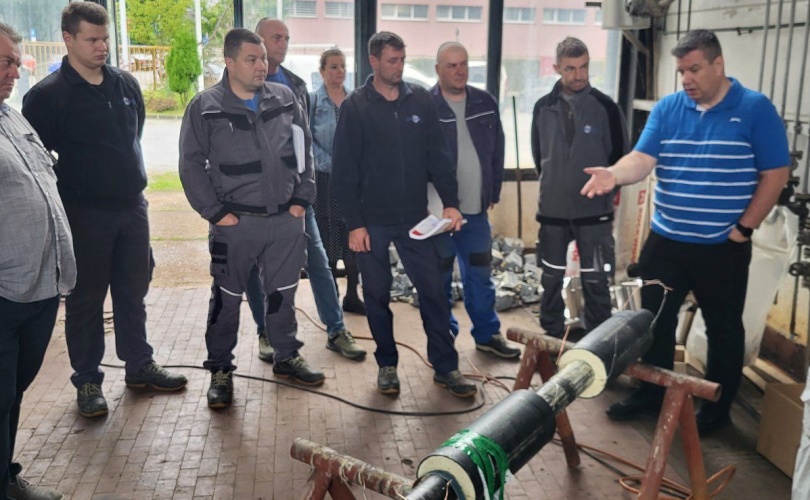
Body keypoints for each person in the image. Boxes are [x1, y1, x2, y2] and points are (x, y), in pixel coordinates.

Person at [581, 29, 790, 434]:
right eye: (681, 71)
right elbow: (642, 158)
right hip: (667, 241)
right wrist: (614, 174)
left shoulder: (754, 109)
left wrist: (743, 229)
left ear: (718, 64)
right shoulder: (669, 108)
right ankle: (651, 393)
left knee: (723, 328)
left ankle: (716, 410)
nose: (687, 79)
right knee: (653, 320)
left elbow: (775, 175)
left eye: (694, 69)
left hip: (723, 246)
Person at [22, 2, 187, 419]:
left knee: (134, 291)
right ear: (68, 39)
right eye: (92, 39)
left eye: (105, 39)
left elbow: (134, 134)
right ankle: (88, 380)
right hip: (83, 215)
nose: (102, 47)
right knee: (86, 299)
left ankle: (139, 365)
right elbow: (36, 162)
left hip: (132, 209)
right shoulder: (46, 96)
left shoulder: (125, 84)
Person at [179, 28, 324, 409]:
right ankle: (221, 370)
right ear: (229, 62)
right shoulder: (205, 107)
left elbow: (305, 150)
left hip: (285, 221)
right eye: (252, 59)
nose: (262, 65)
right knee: (227, 300)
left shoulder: (285, 98)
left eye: (263, 58)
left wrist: (301, 200)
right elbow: (191, 165)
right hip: (236, 226)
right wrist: (216, 213)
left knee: (283, 294)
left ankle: (286, 355)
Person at [332, 31, 477, 398]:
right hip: (373, 221)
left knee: (434, 292)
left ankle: (446, 366)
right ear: (374, 62)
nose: (399, 67)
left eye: (402, 59)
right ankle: (387, 365)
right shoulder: (355, 107)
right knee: (377, 296)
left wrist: (451, 202)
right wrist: (355, 225)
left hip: (416, 218)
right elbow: (344, 172)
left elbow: (438, 157)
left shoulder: (420, 101)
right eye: (392, 61)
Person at [248, 18, 366, 363]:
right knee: (257, 268)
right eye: (276, 37)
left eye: (286, 38)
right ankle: (265, 331)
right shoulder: (239, 84)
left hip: (297, 197)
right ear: (258, 41)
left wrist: (305, 190)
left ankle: (336, 329)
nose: (283, 43)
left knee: (319, 262)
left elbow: (304, 142)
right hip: (253, 200)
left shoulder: (296, 86)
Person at [0, 22, 71, 500]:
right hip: (5, 293)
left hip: (40, 287)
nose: (15, 71)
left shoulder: (12, 117)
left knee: (12, 393)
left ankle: (5, 478)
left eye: (15, 61)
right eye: (6, 62)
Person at [530, 37, 629, 340]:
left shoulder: (606, 107)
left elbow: (620, 160)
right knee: (550, 278)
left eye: (584, 67)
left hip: (594, 213)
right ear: (557, 68)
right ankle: (551, 338)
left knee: (597, 280)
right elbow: (539, 157)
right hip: (553, 212)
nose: (579, 75)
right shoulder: (542, 108)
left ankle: (597, 341)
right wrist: (555, 183)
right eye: (571, 69)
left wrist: (606, 193)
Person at [429, 42, 520, 359]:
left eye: (464, 64)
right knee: (439, 280)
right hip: (438, 216)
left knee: (480, 276)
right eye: (451, 65)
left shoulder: (485, 102)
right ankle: (443, 338)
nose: (460, 71)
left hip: (476, 212)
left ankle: (487, 334)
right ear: (438, 70)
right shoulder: (425, 106)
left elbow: (497, 150)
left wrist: (492, 191)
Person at [310, 48, 367, 317]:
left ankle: (352, 295)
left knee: (353, 236)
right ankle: (330, 299)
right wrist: (333, 166)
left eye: (342, 66)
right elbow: (307, 143)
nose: (339, 71)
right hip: (324, 181)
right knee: (328, 239)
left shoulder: (356, 101)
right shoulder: (313, 102)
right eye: (333, 66)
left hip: (354, 183)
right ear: (322, 71)